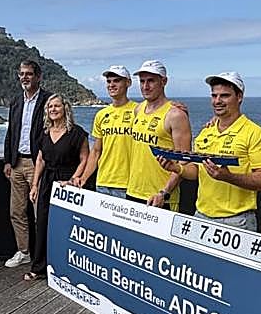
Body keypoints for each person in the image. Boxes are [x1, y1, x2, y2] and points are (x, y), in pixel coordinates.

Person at [165, 73, 261, 232]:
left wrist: (228, 177)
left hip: (237, 220)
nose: (217, 101)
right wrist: (176, 168)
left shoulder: (255, 134)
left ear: (239, 97)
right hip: (200, 215)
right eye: (214, 95)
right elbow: (197, 171)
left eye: (225, 96)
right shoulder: (205, 133)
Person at [27, 94, 89, 282]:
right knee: (43, 224)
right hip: (47, 183)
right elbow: (40, 159)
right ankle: (39, 268)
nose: (53, 109)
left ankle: (66, 267)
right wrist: (35, 184)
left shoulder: (77, 133)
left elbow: (85, 158)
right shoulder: (44, 133)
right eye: (50, 107)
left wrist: (74, 179)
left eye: (56, 106)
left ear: (65, 109)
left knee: (67, 226)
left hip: (68, 184)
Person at [2, 60, 51, 268]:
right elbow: (11, 132)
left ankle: (43, 256)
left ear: (38, 76)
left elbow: (52, 131)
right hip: (17, 163)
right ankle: (24, 252)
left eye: (29, 74)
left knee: (39, 212)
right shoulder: (16, 102)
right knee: (17, 211)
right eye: (22, 74)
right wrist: (7, 160)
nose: (25, 77)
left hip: (36, 163)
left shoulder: (48, 100)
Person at [126, 60, 192, 208]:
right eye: (142, 81)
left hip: (160, 197)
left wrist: (164, 192)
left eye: (151, 81)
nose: (145, 86)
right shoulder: (138, 109)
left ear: (163, 81)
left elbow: (184, 161)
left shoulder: (175, 115)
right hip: (133, 191)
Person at [76, 65, 136, 197]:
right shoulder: (101, 114)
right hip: (103, 182)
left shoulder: (139, 111)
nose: (111, 85)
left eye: (117, 80)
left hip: (129, 185)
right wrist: (84, 178)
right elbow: (96, 151)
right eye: (109, 81)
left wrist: (174, 107)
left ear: (128, 83)